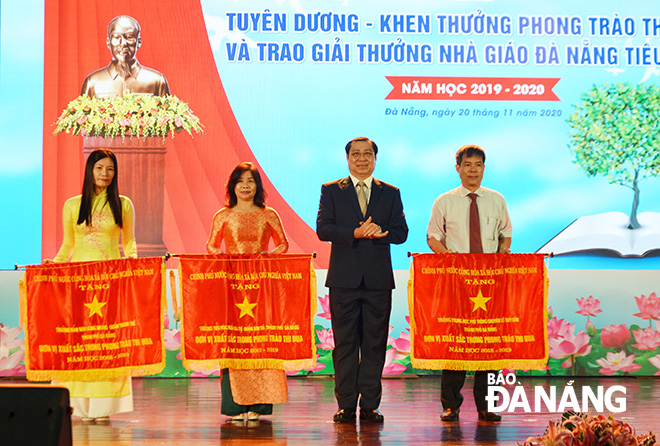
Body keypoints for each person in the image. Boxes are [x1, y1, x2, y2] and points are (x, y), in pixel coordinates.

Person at [316, 137, 408, 424]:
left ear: (375, 159)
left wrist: (382, 231)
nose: (361, 159)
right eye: (355, 154)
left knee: (374, 345)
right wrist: (353, 233)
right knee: (344, 345)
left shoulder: (390, 192)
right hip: (343, 280)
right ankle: (345, 405)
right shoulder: (331, 190)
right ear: (347, 158)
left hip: (378, 282)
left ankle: (370, 405)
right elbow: (323, 229)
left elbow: (401, 232)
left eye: (367, 154)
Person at [49, 148, 137, 423]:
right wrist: (55, 263)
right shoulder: (73, 205)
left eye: (110, 169)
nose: (105, 174)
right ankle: (80, 406)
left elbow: (129, 243)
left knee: (107, 342)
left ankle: (104, 407)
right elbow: (68, 245)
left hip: (110, 281)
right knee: (81, 342)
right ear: (90, 170)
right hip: (80, 282)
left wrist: (134, 265)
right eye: (100, 168)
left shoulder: (123, 204)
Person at [426, 144, 512, 423]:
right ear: (458, 169)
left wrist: (502, 252)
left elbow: (505, 234)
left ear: (483, 169)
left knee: (489, 344)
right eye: (467, 165)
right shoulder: (445, 201)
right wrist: (447, 257)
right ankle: (451, 405)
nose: (473, 170)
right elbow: (432, 237)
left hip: (489, 283)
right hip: (457, 282)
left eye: (478, 165)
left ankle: (487, 405)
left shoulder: (496, 199)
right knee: (456, 344)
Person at [206, 162, 289, 423]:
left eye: (250, 181)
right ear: (233, 185)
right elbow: (211, 246)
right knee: (235, 343)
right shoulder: (223, 215)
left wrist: (267, 255)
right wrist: (221, 257)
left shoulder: (268, 214)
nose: (245, 186)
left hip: (262, 287)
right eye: (240, 181)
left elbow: (283, 245)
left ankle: (260, 406)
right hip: (233, 287)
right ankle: (234, 407)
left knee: (262, 342)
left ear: (257, 186)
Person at [81, 15, 170, 98]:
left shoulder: (156, 81)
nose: (123, 43)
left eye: (129, 37)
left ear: (138, 42)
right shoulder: (93, 82)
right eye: (116, 37)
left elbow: (168, 114)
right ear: (108, 42)